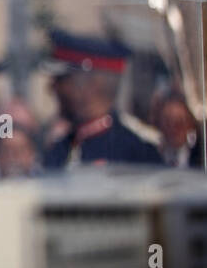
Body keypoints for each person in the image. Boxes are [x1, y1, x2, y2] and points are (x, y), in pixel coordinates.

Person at [40, 31, 162, 169]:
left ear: (92, 84)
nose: (52, 87)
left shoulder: (137, 154)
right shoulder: (58, 150)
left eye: (62, 79)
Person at [154, 90, 203, 168]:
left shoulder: (201, 158)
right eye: (168, 122)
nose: (173, 129)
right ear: (160, 125)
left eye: (179, 123)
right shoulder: (149, 158)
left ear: (189, 125)